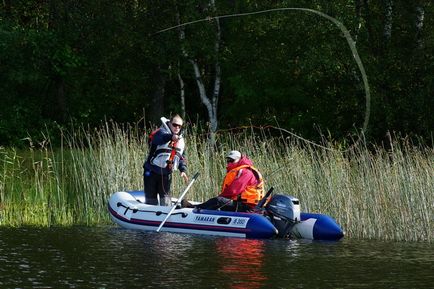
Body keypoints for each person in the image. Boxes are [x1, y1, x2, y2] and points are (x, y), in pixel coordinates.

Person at [195, 150, 264, 211]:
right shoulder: (241, 171)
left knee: (217, 201)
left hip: (247, 206)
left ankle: (194, 208)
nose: (229, 163)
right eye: (228, 161)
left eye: (231, 160)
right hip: (243, 204)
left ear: (239, 160)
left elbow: (233, 191)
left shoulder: (245, 172)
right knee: (218, 201)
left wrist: (220, 197)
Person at [143, 114, 188, 206]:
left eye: (179, 126)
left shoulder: (180, 140)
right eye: (175, 125)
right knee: (151, 200)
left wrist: (183, 170)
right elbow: (159, 139)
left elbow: (180, 157)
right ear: (170, 123)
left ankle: (166, 216)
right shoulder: (160, 132)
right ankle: (150, 217)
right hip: (151, 172)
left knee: (166, 200)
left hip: (166, 174)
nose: (177, 128)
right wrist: (171, 138)